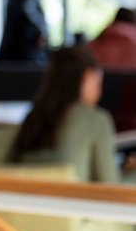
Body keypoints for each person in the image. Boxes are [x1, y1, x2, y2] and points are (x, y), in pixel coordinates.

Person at [7, 46, 130, 183]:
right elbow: (111, 186)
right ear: (87, 77)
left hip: (20, 201)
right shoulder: (96, 120)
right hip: (72, 201)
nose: (99, 93)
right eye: (98, 82)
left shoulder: (34, 117)